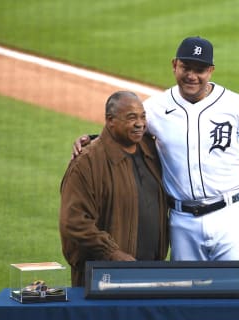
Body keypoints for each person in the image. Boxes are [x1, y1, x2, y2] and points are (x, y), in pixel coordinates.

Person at [73, 36, 239, 261]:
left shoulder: (237, 106)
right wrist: (92, 140)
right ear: (175, 65)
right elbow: (127, 132)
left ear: (211, 71)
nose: (192, 76)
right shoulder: (155, 108)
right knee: (187, 293)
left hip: (232, 217)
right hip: (183, 223)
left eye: (200, 69)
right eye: (186, 67)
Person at [59, 91, 169, 286]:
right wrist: (112, 253)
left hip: (150, 272)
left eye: (143, 117)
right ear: (110, 121)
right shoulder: (87, 163)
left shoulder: (150, 150)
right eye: (131, 117)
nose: (140, 124)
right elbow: (74, 222)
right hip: (105, 278)